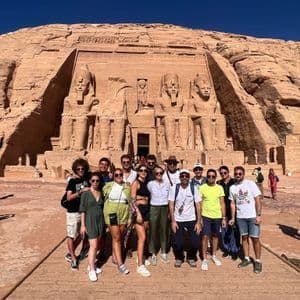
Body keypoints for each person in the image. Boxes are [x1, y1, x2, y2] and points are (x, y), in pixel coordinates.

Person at [229, 166, 263, 274]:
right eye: (236, 174)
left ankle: (257, 260)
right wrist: (233, 218)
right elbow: (233, 203)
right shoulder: (232, 187)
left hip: (252, 216)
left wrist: (258, 215)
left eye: (240, 174)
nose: (238, 175)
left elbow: (257, 199)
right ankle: (247, 258)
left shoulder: (250, 184)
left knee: (255, 238)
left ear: (243, 174)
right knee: (244, 237)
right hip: (240, 217)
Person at [169, 169, 201, 268]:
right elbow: (171, 205)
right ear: (179, 177)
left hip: (191, 218)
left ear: (189, 177)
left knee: (195, 242)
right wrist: (173, 221)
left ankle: (191, 257)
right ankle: (179, 258)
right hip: (178, 219)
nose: (184, 178)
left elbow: (198, 205)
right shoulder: (174, 188)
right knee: (178, 243)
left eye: (186, 176)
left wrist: (198, 222)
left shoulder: (193, 188)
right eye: (182, 176)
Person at [103, 168, 131, 275]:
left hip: (123, 213)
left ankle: (114, 257)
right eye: (116, 175)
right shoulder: (108, 186)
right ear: (113, 176)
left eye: (120, 175)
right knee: (117, 237)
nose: (119, 176)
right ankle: (120, 264)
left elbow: (130, 201)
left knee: (120, 235)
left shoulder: (127, 186)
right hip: (111, 212)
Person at [64, 158, 90, 270]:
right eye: (78, 169)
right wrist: (80, 192)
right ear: (75, 169)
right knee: (71, 234)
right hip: (73, 212)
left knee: (82, 233)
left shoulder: (86, 179)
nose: (80, 170)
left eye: (82, 168)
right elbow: (68, 197)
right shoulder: (72, 181)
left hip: (83, 211)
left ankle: (70, 252)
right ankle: (74, 258)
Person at [199, 169, 226, 271]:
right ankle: (204, 259)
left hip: (217, 215)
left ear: (215, 177)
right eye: (209, 176)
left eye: (213, 176)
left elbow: (222, 203)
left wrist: (223, 217)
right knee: (205, 236)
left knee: (215, 236)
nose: (211, 178)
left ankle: (214, 255)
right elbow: (200, 204)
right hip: (206, 215)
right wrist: (200, 218)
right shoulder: (202, 188)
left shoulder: (219, 188)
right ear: (207, 177)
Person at [80, 172, 104, 281]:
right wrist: (83, 225)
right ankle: (92, 270)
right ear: (90, 181)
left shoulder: (101, 192)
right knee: (93, 245)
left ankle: (91, 264)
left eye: (97, 180)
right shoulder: (86, 193)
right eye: (93, 180)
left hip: (100, 221)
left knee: (96, 245)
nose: (95, 182)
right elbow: (83, 210)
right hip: (90, 221)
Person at [147, 166, 171, 265]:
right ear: (154, 174)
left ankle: (164, 251)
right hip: (154, 208)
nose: (159, 175)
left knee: (164, 229)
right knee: (153, 229)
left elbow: (169, 197)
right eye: (157, 173)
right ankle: (153, 252)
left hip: (165, 207)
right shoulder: (150, 184)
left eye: (161, 173)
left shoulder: (167, 184)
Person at [131, 165, 151, 277]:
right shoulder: (136, 183)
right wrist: (137, 213)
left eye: (145, 170)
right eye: (141, 170)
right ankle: (140, 265)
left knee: (143, 236)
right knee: (142, 237)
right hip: (139, 212)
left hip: (146, 210)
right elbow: (132, 200)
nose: (143, 172)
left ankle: (141, 256)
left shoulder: (146, 183)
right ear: (138, 172)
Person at [217, 166, 240, 260]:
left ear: (228, 172)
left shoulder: (234, 182)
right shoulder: (218, 183)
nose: (223, 174)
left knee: (234, 230)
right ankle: (227, 248)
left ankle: (235, 250)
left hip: (233, 210)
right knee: (224, 230)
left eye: (224, 172)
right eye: (221, 173)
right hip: (223, 210)